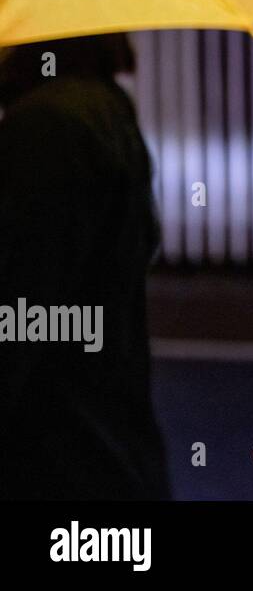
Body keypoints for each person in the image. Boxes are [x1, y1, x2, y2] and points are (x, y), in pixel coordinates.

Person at [0, 34, 171, 499]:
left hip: (56, 460)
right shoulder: (102, 105)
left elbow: (20, 311)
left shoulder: (44, 130)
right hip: (109, 448)